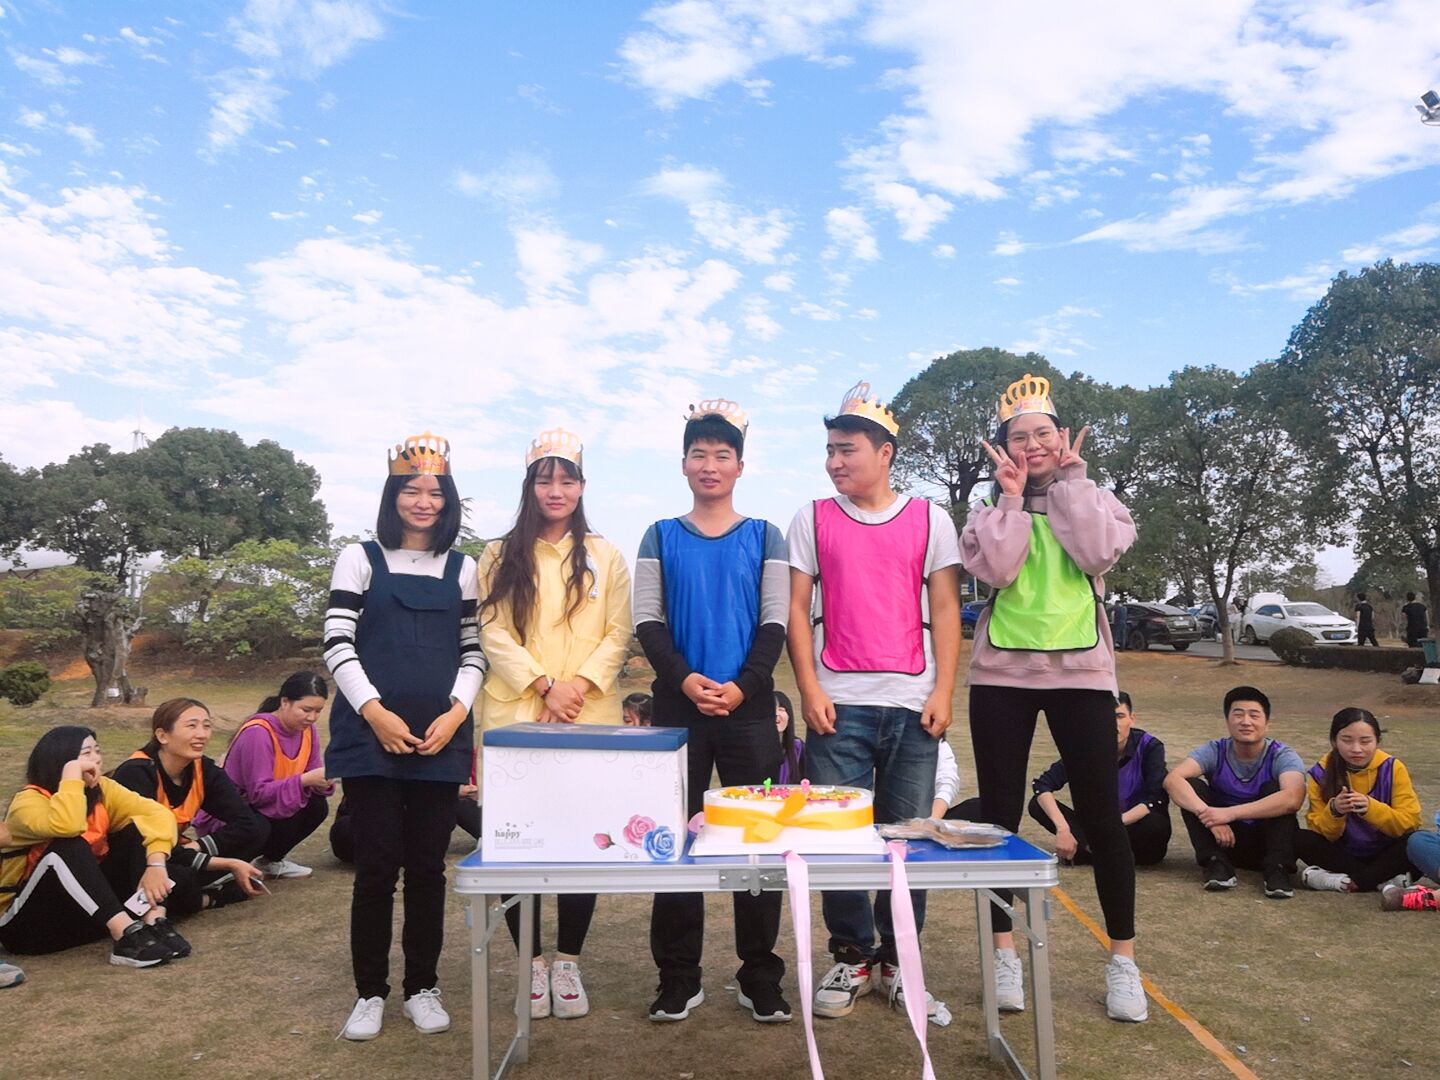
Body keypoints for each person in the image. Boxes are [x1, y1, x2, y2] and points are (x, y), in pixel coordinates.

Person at [961, 372, 1146, 1024]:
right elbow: (998, 569)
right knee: (997, 818)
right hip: (1002, 676)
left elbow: (1095, 554)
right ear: (1003, 446)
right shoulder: (987, 511)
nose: (1033, 445)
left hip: (1082, 674)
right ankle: (1004, 955)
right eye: (1020, 437)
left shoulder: (1097, 498)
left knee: (1101, 817)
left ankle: (1123, 962)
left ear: (1062, 436)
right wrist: (1012, 500)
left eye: (1043, 433)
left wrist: (1071, 482)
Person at [787, 381, 959, 1022]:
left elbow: (946, 607)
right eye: (829, 450)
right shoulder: (812, 517)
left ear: (885, 453)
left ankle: (900, 962)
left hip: (914, 705)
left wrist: (944, 689)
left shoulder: (930, 518)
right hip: (839, 704)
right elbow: (796, 609)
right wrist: (809, 688)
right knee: (839, 843)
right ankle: (852, 955)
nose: (834, 462)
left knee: (905, 843)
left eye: (847, 450)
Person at [323, 430, 486, 1041]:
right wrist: (376, 713)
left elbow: (474, 651)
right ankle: (369, 992)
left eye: (436, 493)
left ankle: (423, 986)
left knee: (427, 870)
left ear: (449, 501)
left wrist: (455, 713)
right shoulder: (359, 557)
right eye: (412, 490)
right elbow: (337, 641)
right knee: (374, 871)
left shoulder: (464, 568)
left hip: (441, 740)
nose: (424, 502)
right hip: (372, 739)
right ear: (393, 496)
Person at [637, 399, 792, 1024]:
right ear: (683, 464)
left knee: (758, 842)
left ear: (740, 466)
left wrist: (744, 686)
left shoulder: (765, 535)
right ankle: (678, 976)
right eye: (699, 454)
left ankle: (760, 975)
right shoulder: (659, 534)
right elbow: (648, 620)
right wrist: (685, 679)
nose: (710, 465)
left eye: (722, 455)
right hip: (678, 710)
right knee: (675, 842)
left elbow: (775, 621)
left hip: (748, 712)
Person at [478, 426, 632, 1021]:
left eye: (567, 479)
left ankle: (567, 960)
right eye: (545, 479)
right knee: (516, 842)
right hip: (518, 713)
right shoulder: (498, 554)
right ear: (530, 486)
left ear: (582, 486)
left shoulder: (605, 555)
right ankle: (531, 963)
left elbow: (619, 631)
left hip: (587, 716)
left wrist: (576, 689)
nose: (556, 490)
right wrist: (543, 684)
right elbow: (491, 630)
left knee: (582, 840)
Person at [0, 726, 179, 966]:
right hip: (27, 928)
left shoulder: (102, 790)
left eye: (97, 750)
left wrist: (156, 864)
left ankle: (154, 921)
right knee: (68, 845)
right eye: (86, 753)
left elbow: (159, 814)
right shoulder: (28, 802)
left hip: (85, 915)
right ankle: (125, 936)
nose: (96, 759)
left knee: (138, 830)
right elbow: (68, 826)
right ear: (61, 761)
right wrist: (72, 775)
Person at [111, 698, 269, 916]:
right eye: (192, 726)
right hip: (137, 861)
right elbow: (139, 841)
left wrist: (197, 846)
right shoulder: (136, 772)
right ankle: (207, 898)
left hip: (178, 855)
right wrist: (227, 863)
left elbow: (246, 822)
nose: (202, 734)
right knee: (180, 879)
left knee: (259, 827)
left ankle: (191, 889)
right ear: (162, 736)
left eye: (206, 726)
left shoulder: (202, 769)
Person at [1164, 686, 1304, 899]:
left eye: (1254, 715)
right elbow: (1172, 780)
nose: (1246, 722)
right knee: (1192, 786)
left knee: (1276, 790)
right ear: (1227, 721)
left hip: (1266, 841)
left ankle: (1277, 869)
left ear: (1267, 723)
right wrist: (1210, 817)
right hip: (1225, 841)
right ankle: (1216, 863)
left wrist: (1229, 814)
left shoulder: (1282, 755)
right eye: (1238, 714)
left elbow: (1293, 798)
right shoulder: (1215, 750)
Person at [204, 672, 334, 879]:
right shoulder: (258, 732)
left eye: (318, 711)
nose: (312, 718)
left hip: (270, 803)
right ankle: (229, 865)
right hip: (235, 813)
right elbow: (259, 794)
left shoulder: (308, 731)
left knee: (316, 806)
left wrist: (324, 781)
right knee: (266, 821)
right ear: (285, 702)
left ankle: (270, 861)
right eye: (306, 710)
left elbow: (313, 771)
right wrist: (305, 780)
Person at [1027, 692, 1170, 867]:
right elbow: (1042, 785)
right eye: (1107, 717)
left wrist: (1115, 824)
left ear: (1132, 719)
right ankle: (1099, 852)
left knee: (1155, 825)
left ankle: (1089, 852)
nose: (1114, 724)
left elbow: (1155, 799)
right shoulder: (1085, 747)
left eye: (1120, 716)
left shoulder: (1150, 747)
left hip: (1133, 826)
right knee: (1037, 804)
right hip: (1096, 827)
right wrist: (1063, 829)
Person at [1295, 707, 1420, 893]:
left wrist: (1371, 808)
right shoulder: (1321, 772)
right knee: (1299, 838)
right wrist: (1335, 811)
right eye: (1347, 740)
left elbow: (1410, 823)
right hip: (1343, 853)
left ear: (1377, 741)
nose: (1356, 749)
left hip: (1385, 851)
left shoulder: (1393, 768)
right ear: (1334, 741)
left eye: (1365, 741)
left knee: (1417, 841)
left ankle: (1340, 881)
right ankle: (1378, 881)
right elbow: (1320, 833)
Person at [774, 690, 805, 784]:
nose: (776, 714)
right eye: (772, 710)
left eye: (781, 709)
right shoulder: (755, 748)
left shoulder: (798, 747)